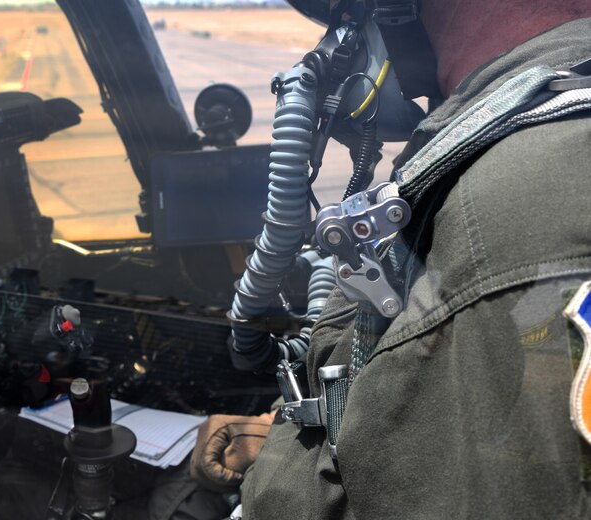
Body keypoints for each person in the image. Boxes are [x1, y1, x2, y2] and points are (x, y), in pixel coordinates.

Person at [192, 1, 591, 518]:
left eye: (350, 14)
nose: (344, 39)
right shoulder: (490, 170)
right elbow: (454, 416)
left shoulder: (521, 208)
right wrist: (285, 437)